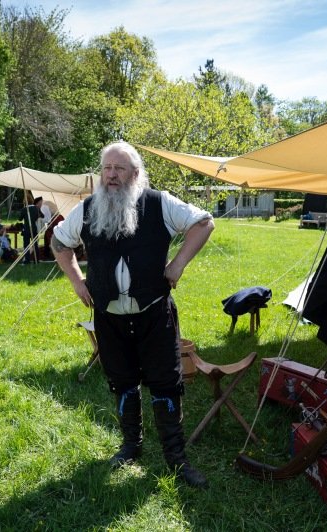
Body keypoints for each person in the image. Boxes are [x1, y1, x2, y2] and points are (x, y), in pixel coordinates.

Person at [51, 141, 214, 488]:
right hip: (109, 317)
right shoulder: (87, 208)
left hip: (154, 314)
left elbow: (204, 223)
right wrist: (77, 281)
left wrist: (178, 265)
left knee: (166, 383)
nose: (111, 175)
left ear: (135, 174)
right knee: (122, 381)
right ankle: (131, 446)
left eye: (120, 168)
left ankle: (175, 457)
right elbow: (59, 242)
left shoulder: (159, 203)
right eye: (107, 168)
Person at [21, 196, 42, 264]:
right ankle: (37, 260)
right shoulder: (36, 208)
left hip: (27, 229)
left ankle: (27, 260)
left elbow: (20, 218)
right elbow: (42, 215)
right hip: (34, 228)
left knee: (26, 245)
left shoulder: (24, 209)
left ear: (25, 201)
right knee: (35, 244)